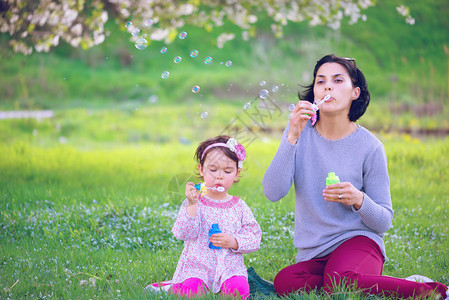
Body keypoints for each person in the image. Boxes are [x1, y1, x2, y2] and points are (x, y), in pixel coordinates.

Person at [262, 54, 448, 299]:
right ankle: (387, 283)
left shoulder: (370, 147)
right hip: (315, 253)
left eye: (338, 80)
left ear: (355, 93)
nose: (328, 86)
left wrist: (359, 200)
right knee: (286, 281)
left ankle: (435, 292)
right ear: (315, 92)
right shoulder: (298, 133)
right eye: (321, 81)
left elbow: (384, 221)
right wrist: (292, 137)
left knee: (340, 282)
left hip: (359, 242)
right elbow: (273, 192)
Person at [170, 135, 262, 299]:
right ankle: (179, 287)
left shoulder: (239, 206)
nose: (219, 176)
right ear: (201, 169)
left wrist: (233, 241)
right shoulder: (195, 201)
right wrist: (192, 206)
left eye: (227, 171)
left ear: (236, 173)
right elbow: (183, 233)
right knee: (192, 292)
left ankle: (223, 290)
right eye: (213, 170)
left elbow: (254, 236)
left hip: (229, 267)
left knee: (238, 291)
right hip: (198, 267)